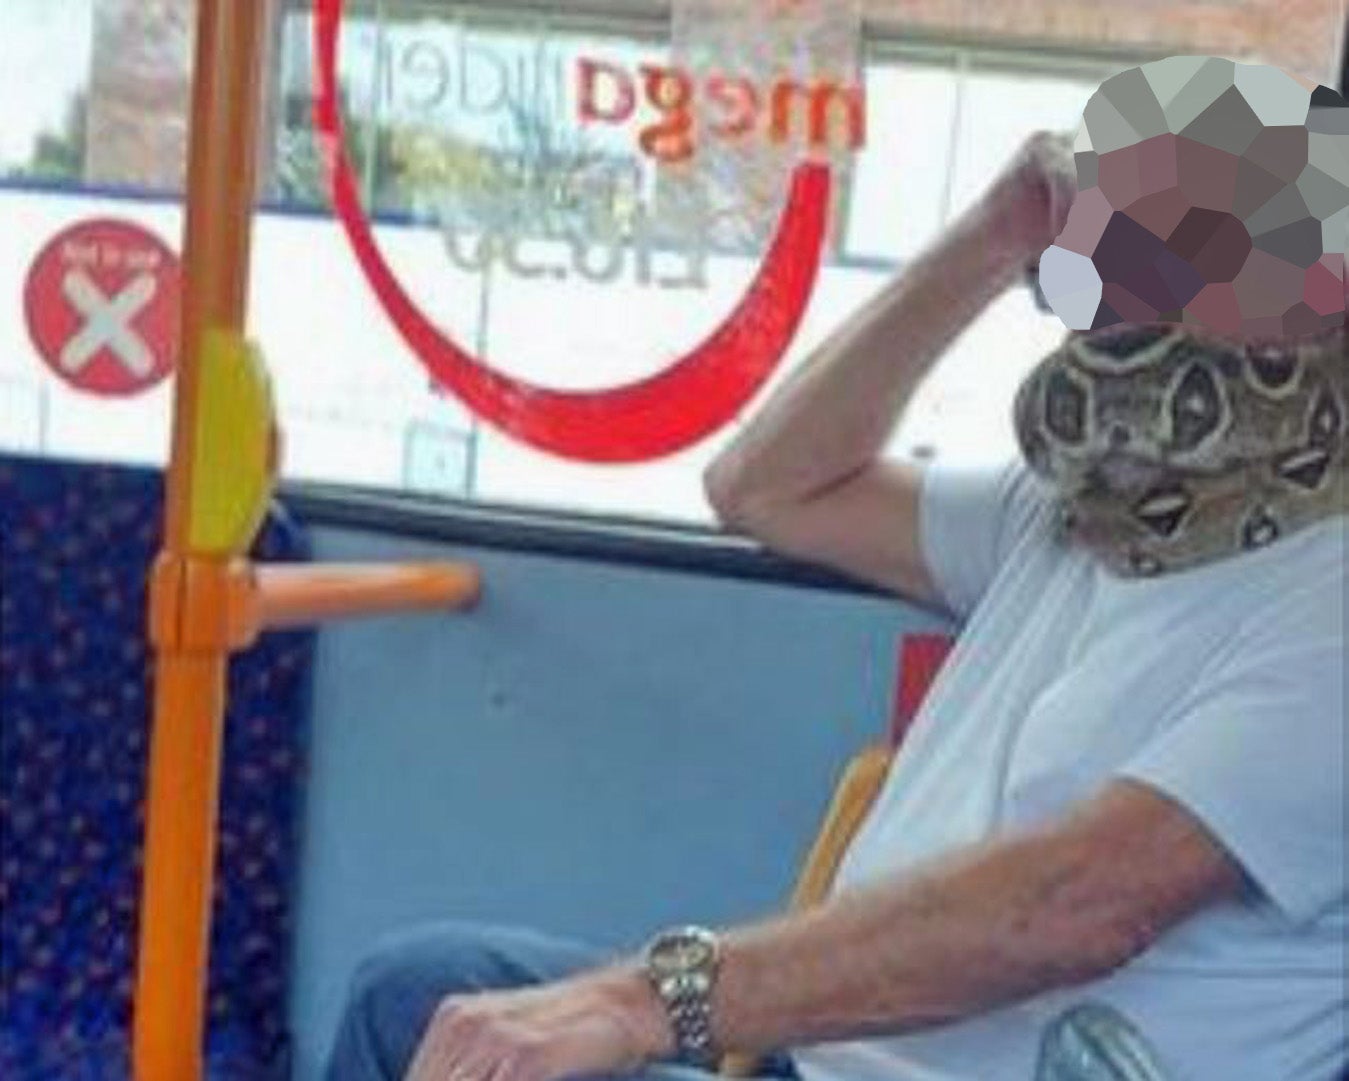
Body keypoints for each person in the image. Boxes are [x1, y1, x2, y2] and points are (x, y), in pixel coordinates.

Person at [325, 129, 1347, 1081]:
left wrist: (643, 999)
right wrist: (990, 239)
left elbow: (1075, 904)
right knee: (415, 993)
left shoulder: (1324, 605)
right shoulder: (1082, 503)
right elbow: (761, 486)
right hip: (827, 1053)